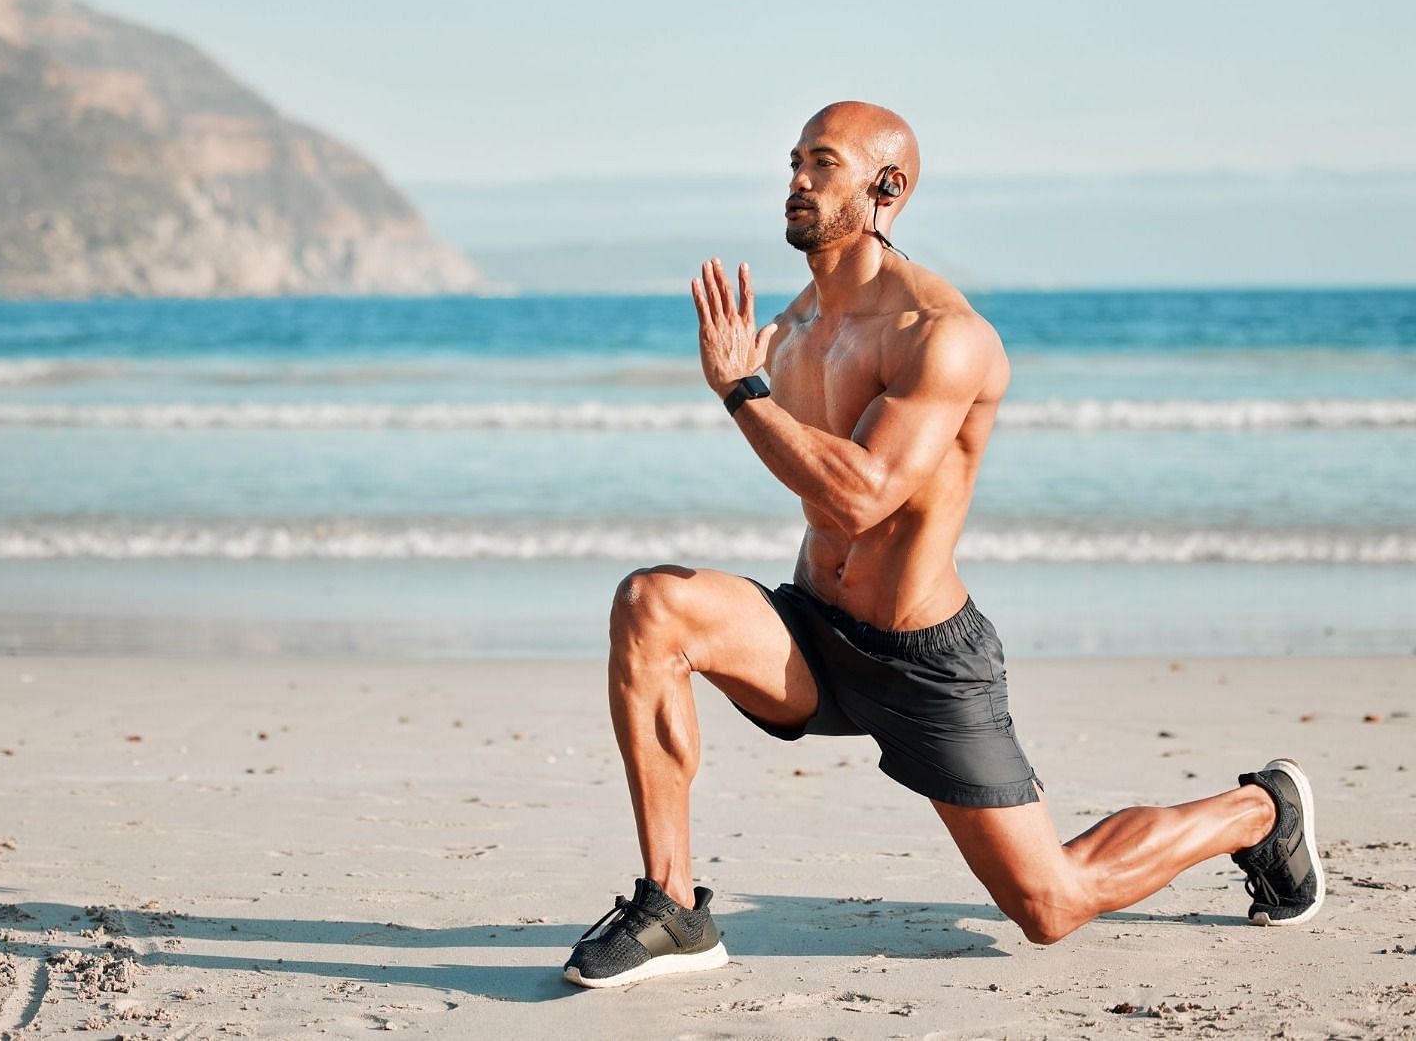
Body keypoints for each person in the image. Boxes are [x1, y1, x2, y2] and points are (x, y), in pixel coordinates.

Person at [561, 101, 1324, 989]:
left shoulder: (942, 336)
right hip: (811, 631)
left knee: (1052, 904)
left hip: (924, 658)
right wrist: (748, 387)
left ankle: (1260, 810)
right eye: (794, 161)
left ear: (888, 188)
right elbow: (800, 464)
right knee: (651, 602)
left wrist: (741, 393)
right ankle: (673, 906)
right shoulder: (794, 328)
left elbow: (860, 498)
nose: (797, 181)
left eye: (823, 163)